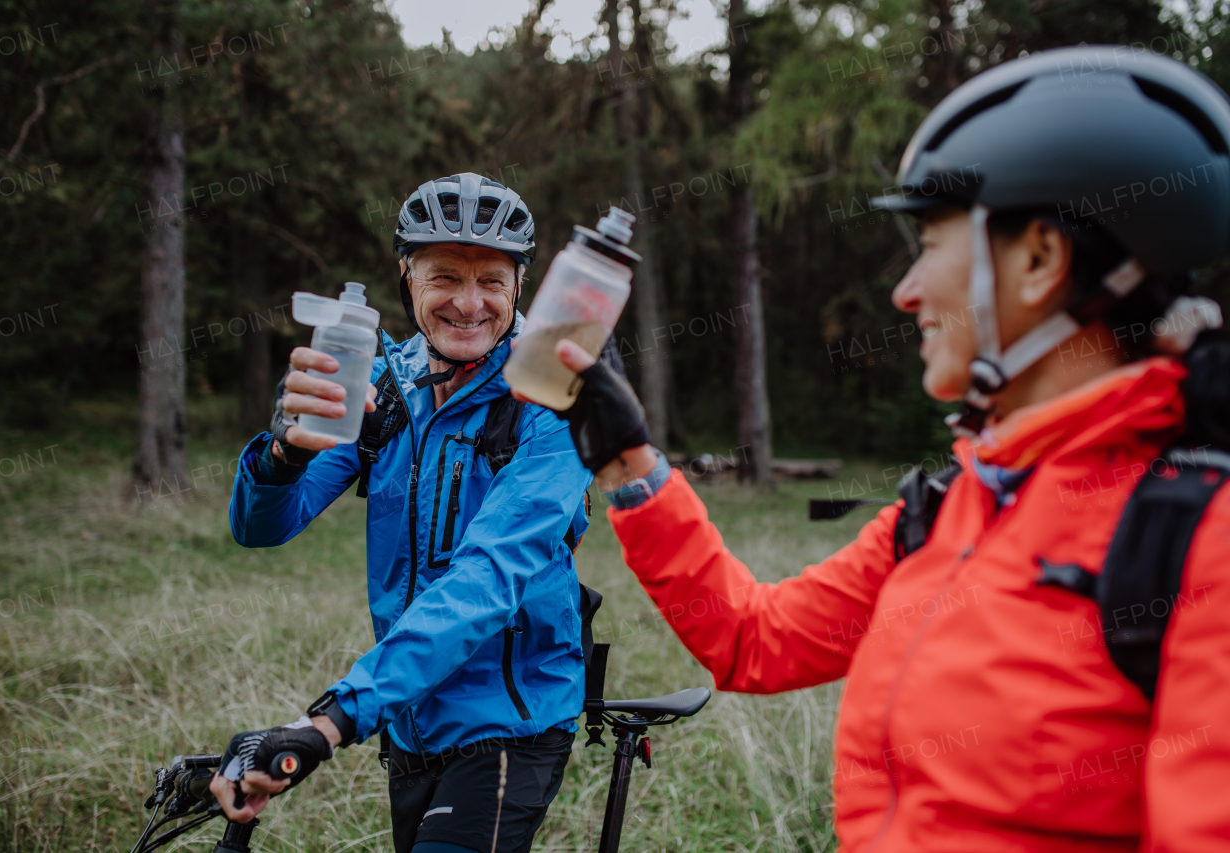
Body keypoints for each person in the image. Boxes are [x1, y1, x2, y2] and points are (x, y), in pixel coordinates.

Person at [530, 47, 1230, 852]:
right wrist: (631, 466)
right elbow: (753, 641)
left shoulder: (1196, 540)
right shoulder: (943, 512)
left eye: (930, 245)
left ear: (1039, 259)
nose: (904, 292)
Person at [213, 173, 594, 853]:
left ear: (519, 288)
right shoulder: (383, 386)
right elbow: (261, 527)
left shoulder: (550, 401)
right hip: (411, 716)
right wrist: (282, 453)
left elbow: (488, 580)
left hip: (512, 720)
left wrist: (332, 719)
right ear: (406, 276)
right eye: (445, 275)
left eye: (493, 282)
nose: (469, 303)